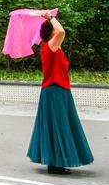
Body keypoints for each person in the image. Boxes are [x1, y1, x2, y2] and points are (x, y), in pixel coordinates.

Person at [27, 12, 93, 174]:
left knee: (59, 125)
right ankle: (55, 164)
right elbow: (62, 31)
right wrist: (50, 17)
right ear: (51, 32)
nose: (58, 30)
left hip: (59, 90)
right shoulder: (50, 46)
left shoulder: (54, 47)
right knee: (58, 125)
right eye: (55, 28)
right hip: (54, 90)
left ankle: (54, 162)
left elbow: (61, 32)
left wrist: (50, 19)